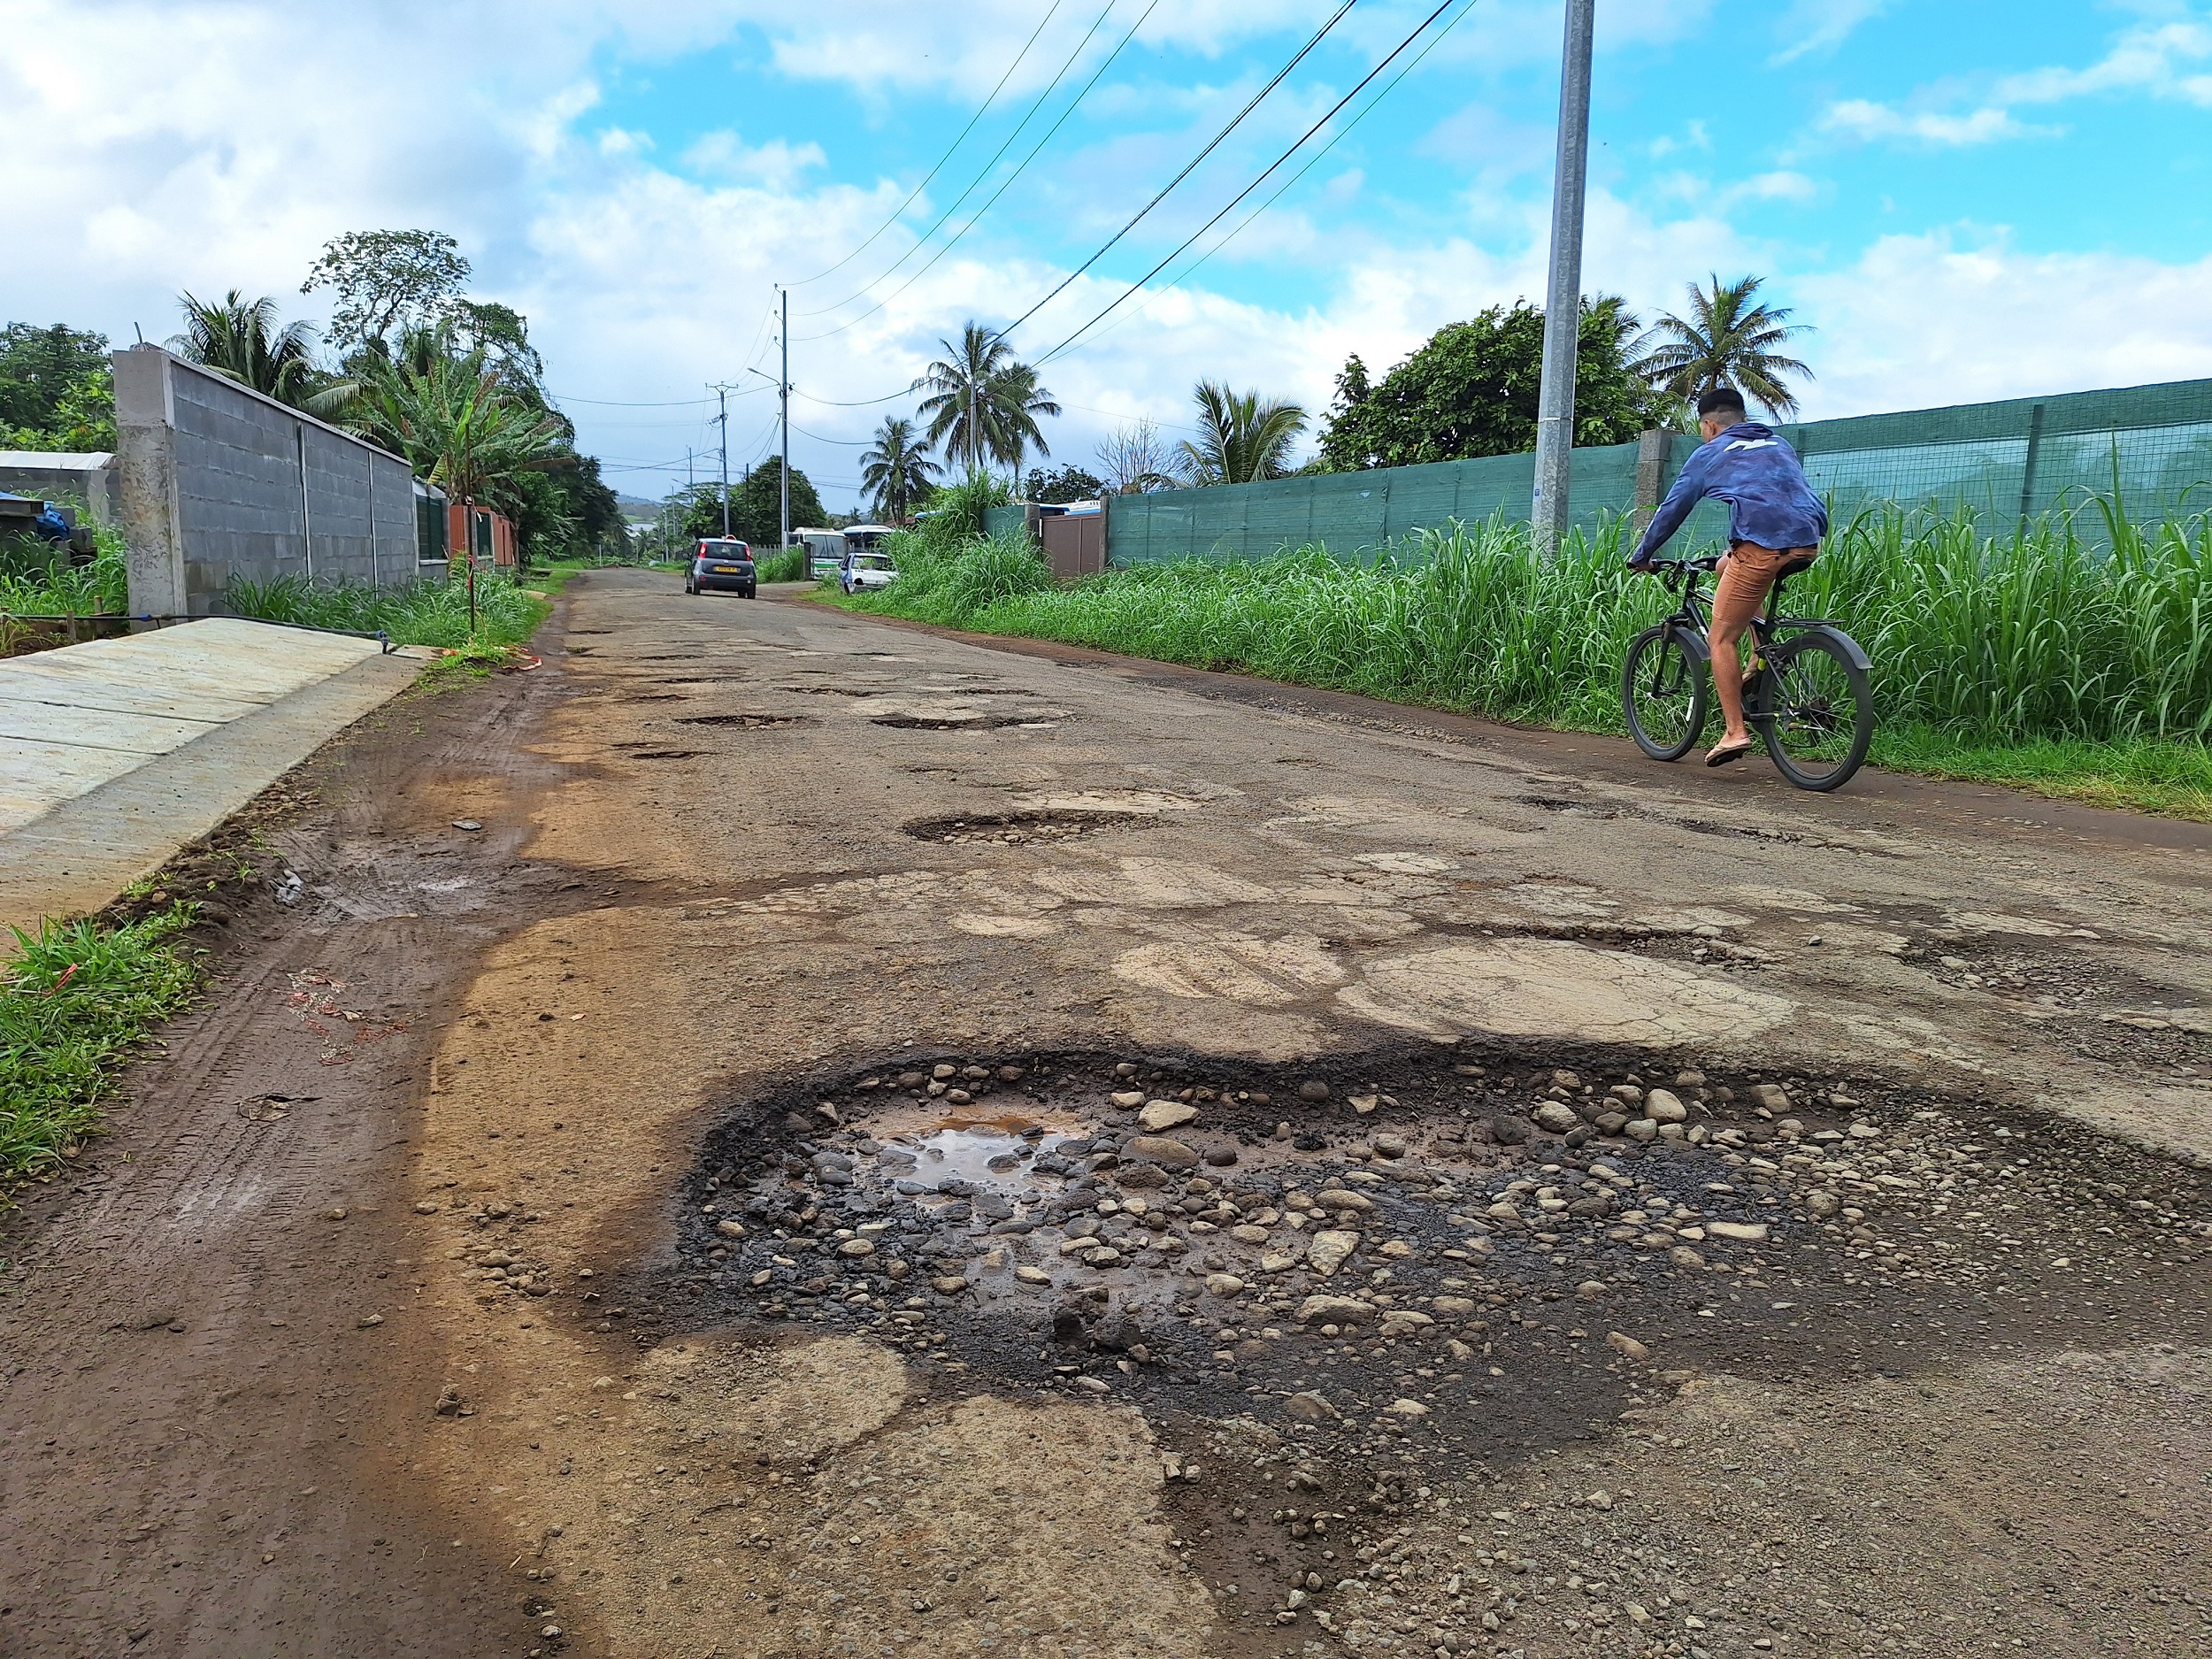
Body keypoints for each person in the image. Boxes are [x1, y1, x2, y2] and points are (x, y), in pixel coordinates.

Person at [1628, 387, 1828, 767]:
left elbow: (1673, 509)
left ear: (1709, 425)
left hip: (1760, 548)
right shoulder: (1778, 445)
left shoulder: (1709, 453)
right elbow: (1775, 497)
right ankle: (1758, 657)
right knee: (1725, 565)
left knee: (1719, 638)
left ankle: (1735, 731)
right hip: (1807, 542)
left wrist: (1642, 556)